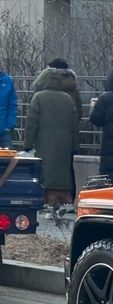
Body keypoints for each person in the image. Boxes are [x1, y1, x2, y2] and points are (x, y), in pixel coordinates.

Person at [23, 68, 80, 206]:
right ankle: (62, 202)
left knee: (45, 174)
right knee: (61, 175)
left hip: (44, 143)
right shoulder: (67, 98)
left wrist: (27, 144)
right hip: (64, 145)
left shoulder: (39, 97)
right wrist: (75, 146)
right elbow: (74, 124)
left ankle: (46, 203)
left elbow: (32, 123)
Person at [33, 57, 83, 122]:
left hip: (46, 127)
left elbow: (34, 115)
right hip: (67, 127)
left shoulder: (42, 87)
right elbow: (79, 112)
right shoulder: (72, 86)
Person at [0, 66, 17, 149]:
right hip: (4, 127)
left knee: (7, 160)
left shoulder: (7, 81)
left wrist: (9, 125)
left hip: (4, 130)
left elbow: (12, 105)